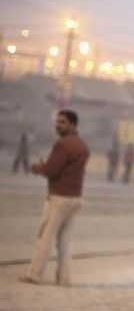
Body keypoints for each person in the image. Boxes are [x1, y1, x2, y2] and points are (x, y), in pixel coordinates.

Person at [19, 110, 90, 286]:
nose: (58, 125)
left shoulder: (63, 144)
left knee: (45, 237)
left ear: (73, 125)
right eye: (57, 122)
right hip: (75, 198)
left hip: (59, 197)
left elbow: (52, 170)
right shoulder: (82, 146)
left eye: (63, 122)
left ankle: (34, 275)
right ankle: (64, 279)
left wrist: (38, 168)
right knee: (65, 240)